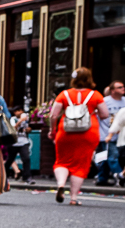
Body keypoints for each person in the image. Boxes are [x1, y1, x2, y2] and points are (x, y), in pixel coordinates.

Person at [49, 67, 110, 205]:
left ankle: (60, 184)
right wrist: (93, 111)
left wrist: (52, 130)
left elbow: (53, 115)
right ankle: (74, 197)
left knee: (62, 161)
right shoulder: (95, 95)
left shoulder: (64, 94)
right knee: (81, 164)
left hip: (66, 132)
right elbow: (105, 114)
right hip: (88, 132)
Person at [98, 79, 124, 186]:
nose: (123, 89)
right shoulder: (104, 101)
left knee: (110, 157)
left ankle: (102, 178)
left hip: (121, 136)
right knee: (110, 157)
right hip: (106, 133)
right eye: (120, 87)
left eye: (123, 86)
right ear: (112, 90)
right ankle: (119, 177)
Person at [9, 108, 33, 183]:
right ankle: (4, 175)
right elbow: (13, 128)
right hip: (14, 143)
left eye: (20, 111)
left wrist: (28, 129)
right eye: (16, 111)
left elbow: (28, 129)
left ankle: (27, 177)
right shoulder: (13, 119)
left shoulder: (26, 119)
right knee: (9, 160)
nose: (18, 113)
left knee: (26, 159)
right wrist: (20, 121)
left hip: (24, 142)